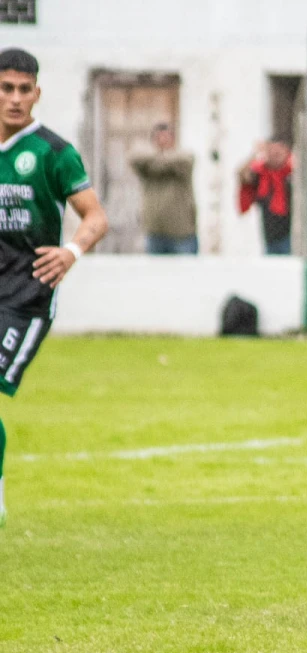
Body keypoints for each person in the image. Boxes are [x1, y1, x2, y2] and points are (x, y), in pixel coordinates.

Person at [0, 48, 108, 526]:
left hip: (27, 295)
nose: (15, 98)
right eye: (6, 88)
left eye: (25, 89)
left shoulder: (53, 152)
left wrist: (72, 252)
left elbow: (96, 216)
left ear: (37, 93)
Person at [128, 123, 197, 254]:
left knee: (186, 273)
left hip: (182, 234)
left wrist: (156, 161)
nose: (163, 141)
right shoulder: (145, 161)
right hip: (154, 232)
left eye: (166, 137)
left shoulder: (183, 159)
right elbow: (134, 157)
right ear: (153, 141)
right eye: (159, 138)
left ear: (174, 139)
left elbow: (185, 160)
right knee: (154, 274)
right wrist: (161, 158)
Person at [238, 137, 292, 255]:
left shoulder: (291, 173)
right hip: (270, 237)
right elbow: (242, 175)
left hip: (291, 235)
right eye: (272, 152)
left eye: (279, 152)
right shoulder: (262, 176)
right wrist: (255, 154)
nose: (275, 155)